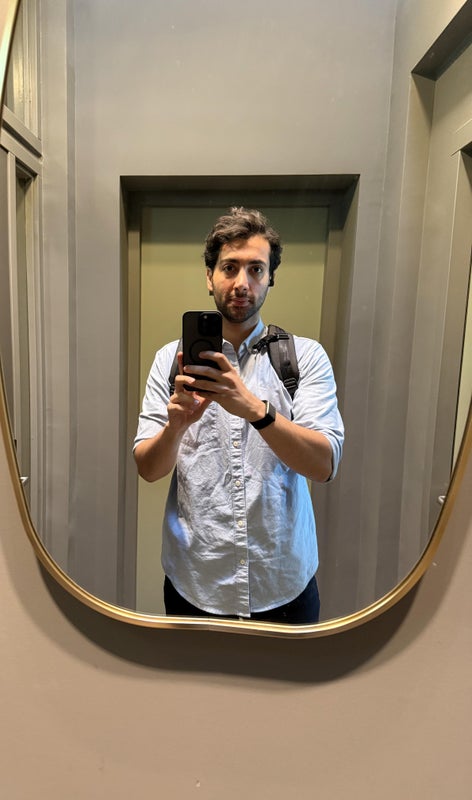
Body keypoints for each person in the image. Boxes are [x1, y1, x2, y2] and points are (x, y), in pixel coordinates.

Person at [133, 207, 344, 624]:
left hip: (283, 584)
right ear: (209, 276)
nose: (242, 283)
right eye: (229, 267)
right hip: (196, 583)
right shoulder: (170, 361)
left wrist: (255, 410)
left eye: (256, 269)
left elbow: (324, 465)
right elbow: (148, 469)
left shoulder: (304, 358)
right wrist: (175, 427)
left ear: (270, 278)